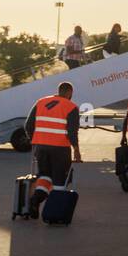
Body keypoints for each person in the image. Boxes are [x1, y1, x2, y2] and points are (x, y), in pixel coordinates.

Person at [23, 82, 82, 217]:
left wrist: (35, 139)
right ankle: (54, 213)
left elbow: (28, 125)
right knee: (60, 179)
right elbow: (72, 132)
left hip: (41, 147)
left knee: (45, 175)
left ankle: (35, 200)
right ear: (69, 93)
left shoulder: (41, 102)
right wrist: (77, 150)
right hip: (60, 148)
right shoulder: (71, 107)